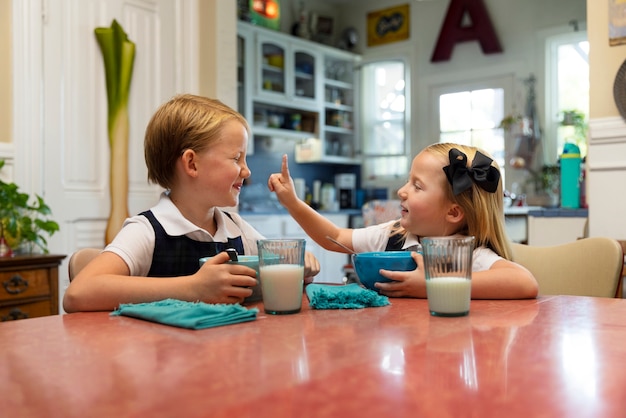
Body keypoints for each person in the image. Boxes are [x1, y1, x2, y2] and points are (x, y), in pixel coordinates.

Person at [63, 94, 319, 313]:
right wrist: (193, 288)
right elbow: (78, 294)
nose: (246, 171)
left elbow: (277, 264)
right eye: (236, 158)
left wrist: (298, 265)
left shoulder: (236, 228)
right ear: (192, 164)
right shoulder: (147, 231)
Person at [268, 142, 538, 299]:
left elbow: (525, 283)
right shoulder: (392, 234)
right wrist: (292, 201)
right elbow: (336, 238)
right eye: (408, 181)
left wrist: (433, 286)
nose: (402, 191)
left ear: (454, 213)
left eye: (417, 186)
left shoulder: (468, 253)